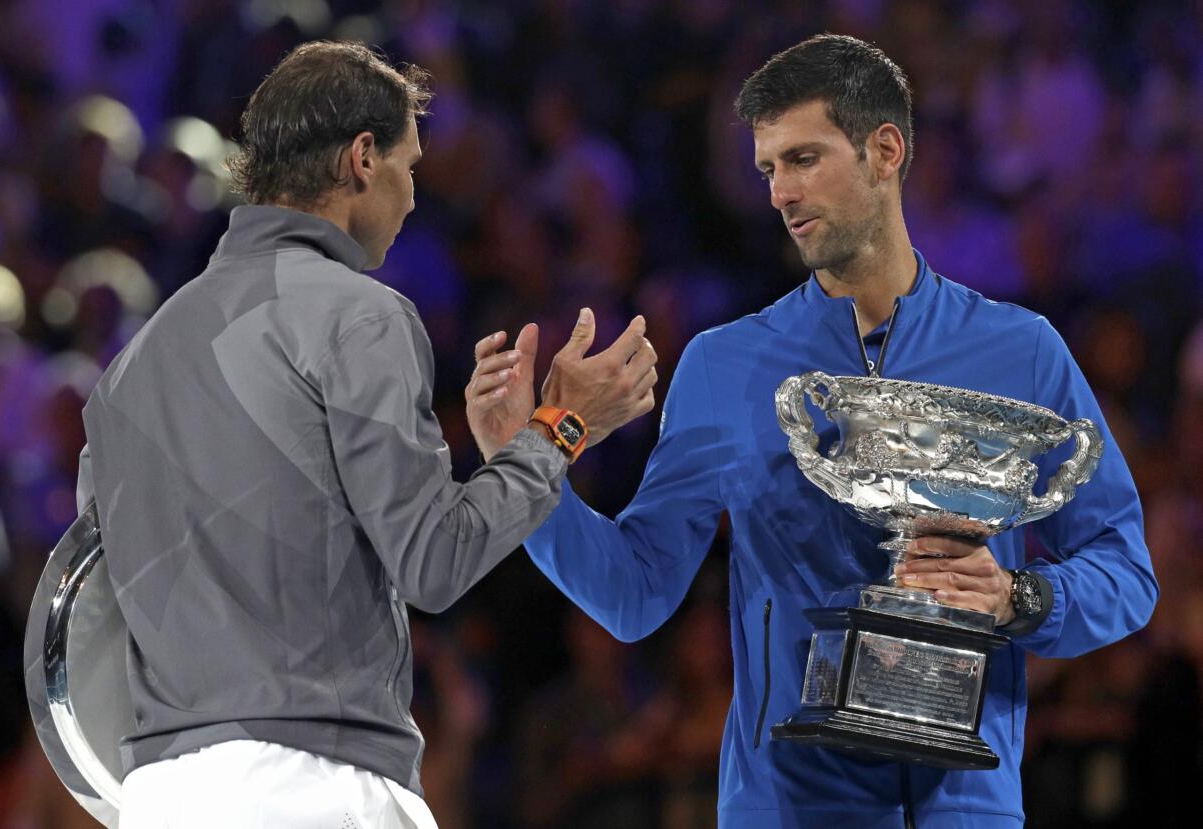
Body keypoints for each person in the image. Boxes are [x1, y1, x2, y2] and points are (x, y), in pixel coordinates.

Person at [488, 34, 1158, 828]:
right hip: (789, 809)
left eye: (803, 159)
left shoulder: (1021, 350)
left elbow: (1127, 572)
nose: (779, 193)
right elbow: (636, 593)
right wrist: (524, 463)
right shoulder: (724, 366)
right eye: (769, 168)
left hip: (970, 808)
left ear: (884, 151)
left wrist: (1020, 595)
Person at [74, 41, 658, 828]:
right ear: (361, 159)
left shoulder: (127, 368)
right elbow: (434, 561)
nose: (414, 199)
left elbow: (87, 613)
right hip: (313, 785)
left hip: (154, 796)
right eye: (409, 168)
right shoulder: (359, 313)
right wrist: (559, 426)